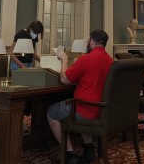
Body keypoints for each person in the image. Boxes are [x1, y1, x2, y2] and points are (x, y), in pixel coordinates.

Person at [47, 29, 113, 164]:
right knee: (80, 105)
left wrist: (64, 59)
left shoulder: (86, 58)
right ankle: (89, 149)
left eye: (89, 41)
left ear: (92, 42)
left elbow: (65, 79)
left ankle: (69, 155)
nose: (88, 43)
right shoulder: (109, 60)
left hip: (85, 108)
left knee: (51, 112)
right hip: (102, 109)